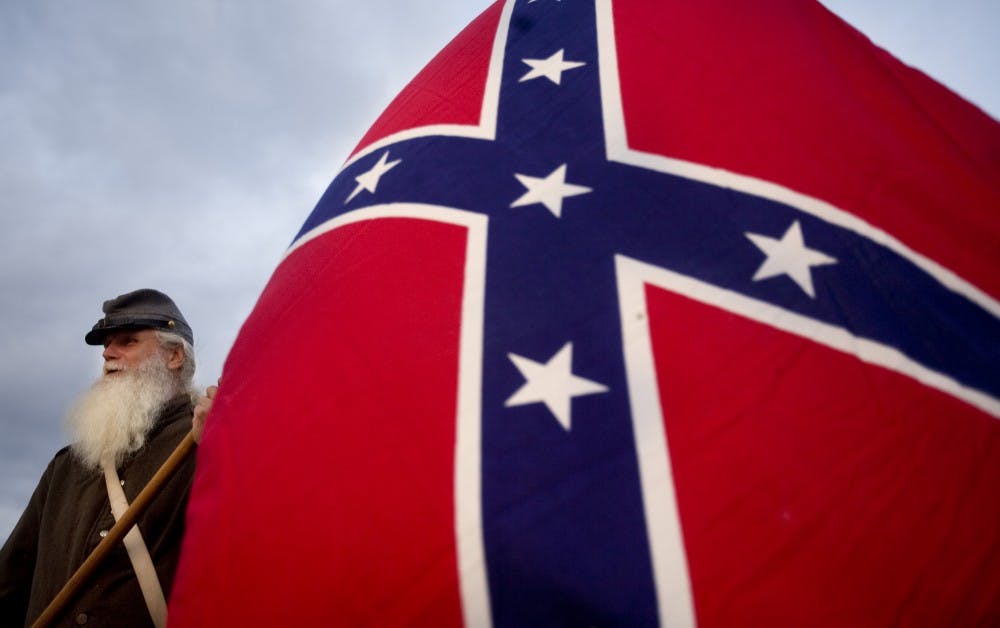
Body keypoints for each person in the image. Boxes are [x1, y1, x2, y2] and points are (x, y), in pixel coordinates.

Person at [0, 289, 210, 627]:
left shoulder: (206, 446)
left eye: (128, 342)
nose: (109, 354)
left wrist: (228, 450)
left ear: (174, 357)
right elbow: (10, 583)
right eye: (107, 345)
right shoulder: (67, 466)